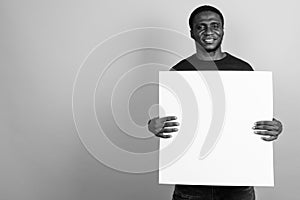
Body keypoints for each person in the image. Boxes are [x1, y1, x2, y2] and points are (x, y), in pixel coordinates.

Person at [147, 5, 283, 200]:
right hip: (190, 182)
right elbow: (169, 121)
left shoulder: (243, 69)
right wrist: (153, 125)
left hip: (237, 181)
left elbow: (250, 118)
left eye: (214, 25)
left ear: (223, 30)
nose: (209, 31)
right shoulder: (179, 72)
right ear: (192, 32)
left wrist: (273, 126)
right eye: (201, 26)